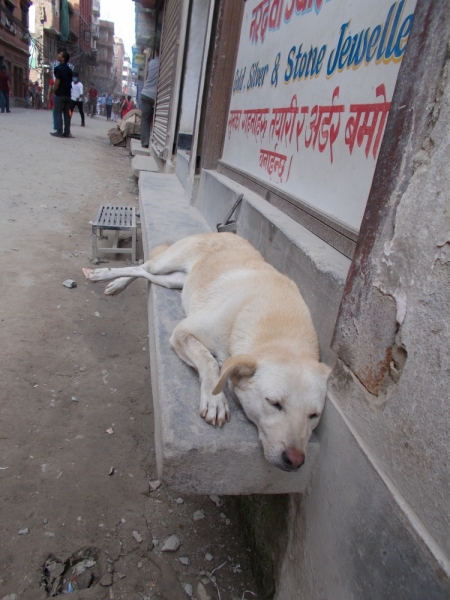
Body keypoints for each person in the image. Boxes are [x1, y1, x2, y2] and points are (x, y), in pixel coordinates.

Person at [50, 49, 73, 138]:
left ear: (63, 58)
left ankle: (59, 132)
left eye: (60, 54)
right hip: (68, 94)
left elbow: (57, 82)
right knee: (67, 115)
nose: (58, 54)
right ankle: (66, 132)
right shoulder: (69, 70)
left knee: (58, 112)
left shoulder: (59, 69)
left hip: (60, 94)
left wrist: (54, 90)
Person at [140, 50, 159, 148]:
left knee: (145, 119)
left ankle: (145, 142)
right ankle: (156, 141)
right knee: (157, 119)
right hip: (155, 95)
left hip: (146, 93)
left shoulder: (151, 63)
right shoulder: (164, 65)